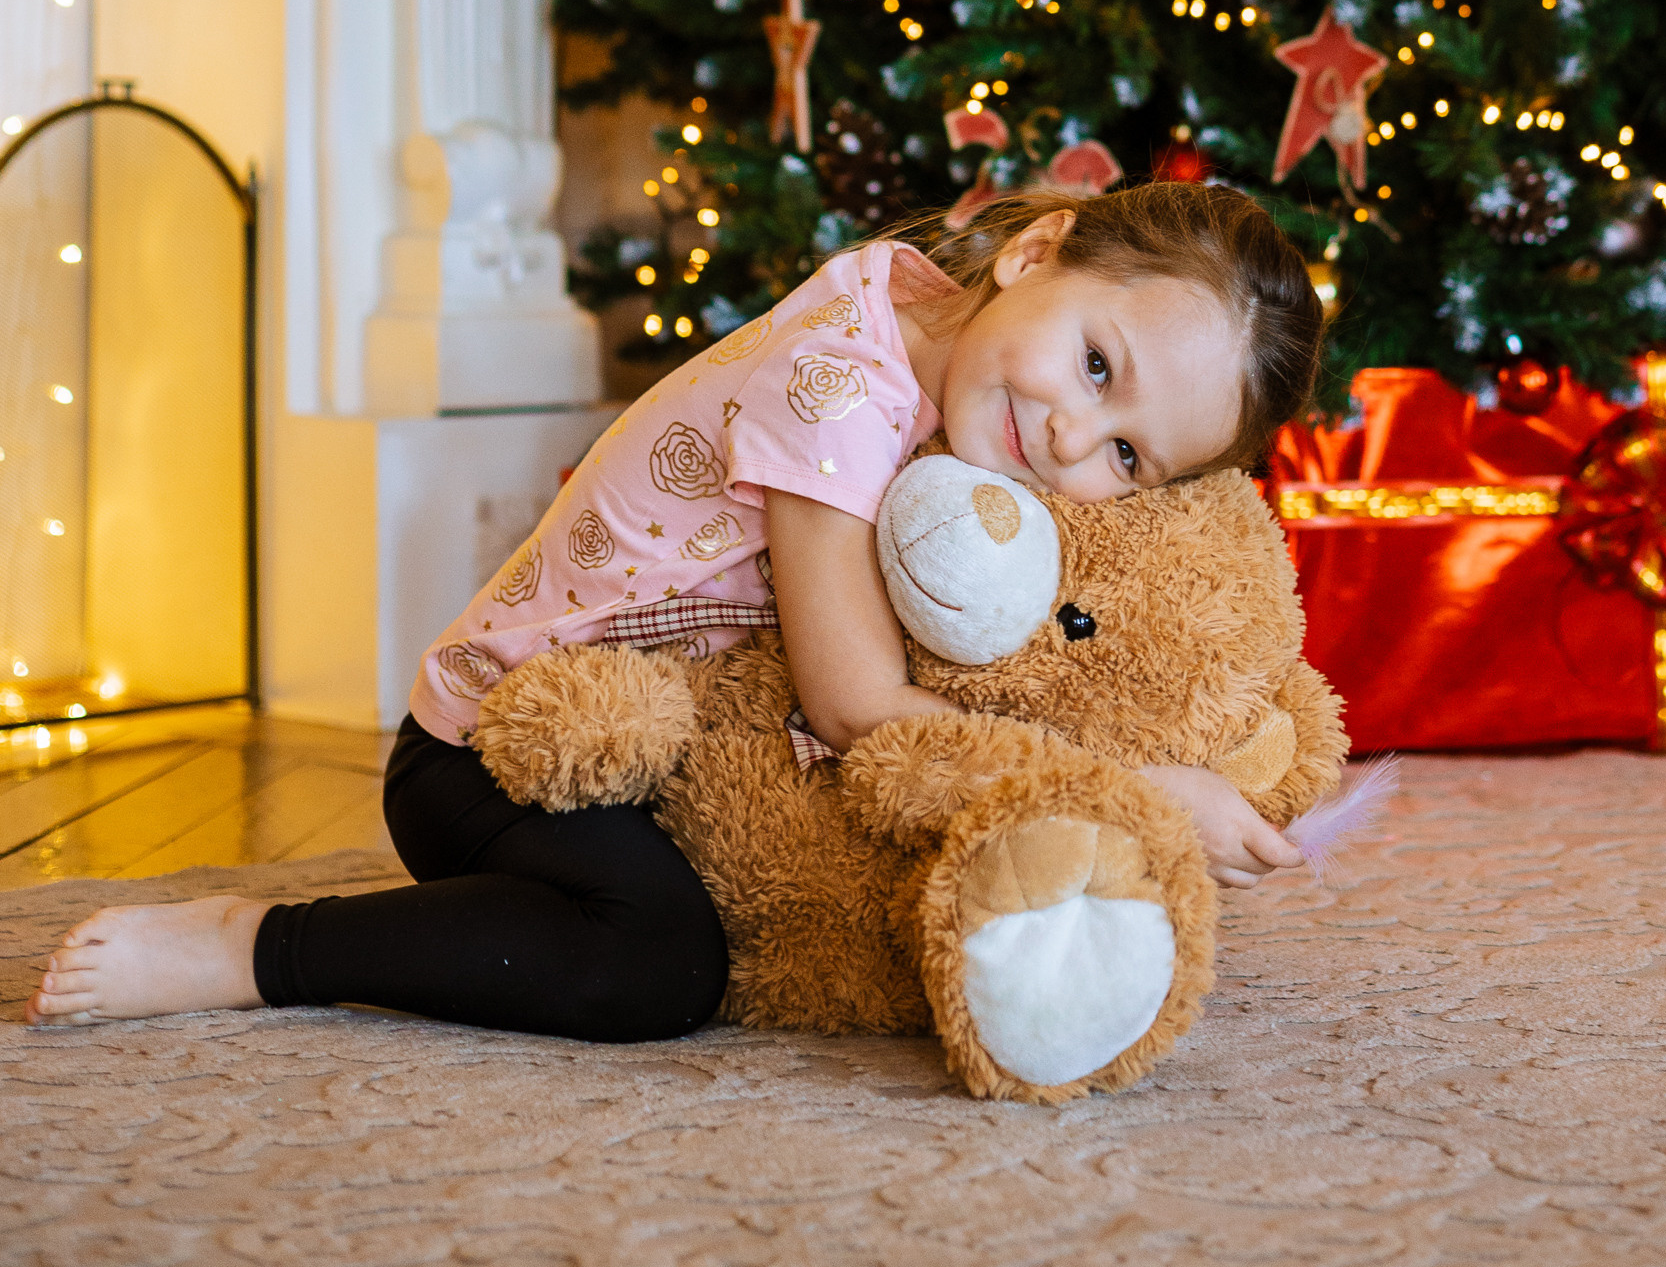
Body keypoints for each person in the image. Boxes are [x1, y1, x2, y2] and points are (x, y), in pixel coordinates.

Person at [29, 182, 1326, 1039]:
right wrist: (1141, 785)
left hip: (689, 748)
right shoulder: (835, 399)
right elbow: (856, 704)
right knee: (658, 967)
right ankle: (261, 949)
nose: (1066, 436)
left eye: (1126, 458)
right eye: (1096, 366)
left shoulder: (921, 303)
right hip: (498, 759)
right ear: (1039, 251)